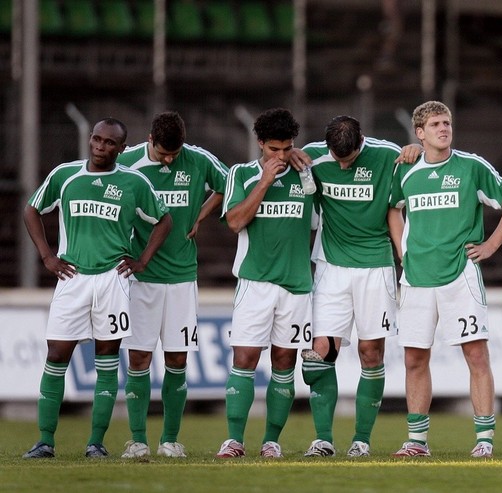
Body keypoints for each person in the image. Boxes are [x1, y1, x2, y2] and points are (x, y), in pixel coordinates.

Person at [22, 118, 172, 459]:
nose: (100, 147)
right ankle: (45, 441)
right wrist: (47, 256)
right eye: (97, 139)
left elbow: (164, 220)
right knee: (57, 355)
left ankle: (96, 443)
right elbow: (32, 209)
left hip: (112, 281)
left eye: (109, 143)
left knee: (107, 359)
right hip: (72, 278)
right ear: (89, 140)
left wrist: (142, 260)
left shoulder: (134, 182)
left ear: (122, 148)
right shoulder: (65, 175)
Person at [388, 101, 502, 458]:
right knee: (414, 359)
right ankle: (416, 442)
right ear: (420, 133)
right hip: (416, 279)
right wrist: (402, 251)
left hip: (460, 276)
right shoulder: (407, 169)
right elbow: (392, 209)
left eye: (447, 123)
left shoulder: (472, 166)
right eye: (436, 124)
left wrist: (491, 245)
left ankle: (484, 441)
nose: (444, 129)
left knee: (476, 355)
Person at [296, 116, 413, 458]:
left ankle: (361, 440)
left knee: (370, 353)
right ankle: (323, 440)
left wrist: (416, 149)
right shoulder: (312, 157)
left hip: (375, 267)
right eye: (338, 159)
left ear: (362, 140)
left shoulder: (388, 156)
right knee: (320, 354)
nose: (343, 165)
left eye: (350, 158)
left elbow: (398, 205)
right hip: (331, 267)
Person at [115, 112, 229, 458]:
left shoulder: (197, 159)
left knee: (178, 359)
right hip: (140, 278)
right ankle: (137, 440)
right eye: (164, 153)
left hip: (181, 277)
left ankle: (170, 440)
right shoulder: (128, 162)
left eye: (174, 154)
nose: (169, 159)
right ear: (150, 138)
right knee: (138, 358)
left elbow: (230, 185)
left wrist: (201, 214)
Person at [214, 108, 314, 459]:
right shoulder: (240, 174)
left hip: (297, 284)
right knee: (245, 358)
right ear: (259, 144)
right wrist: (265, 181)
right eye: (274, 149)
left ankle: (272, 440)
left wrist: (305, 162)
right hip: (254, 282)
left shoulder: (305, 174)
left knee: (285, 362)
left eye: (287, 148)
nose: (281, 156)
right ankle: (234, 440)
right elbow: (235, 222)